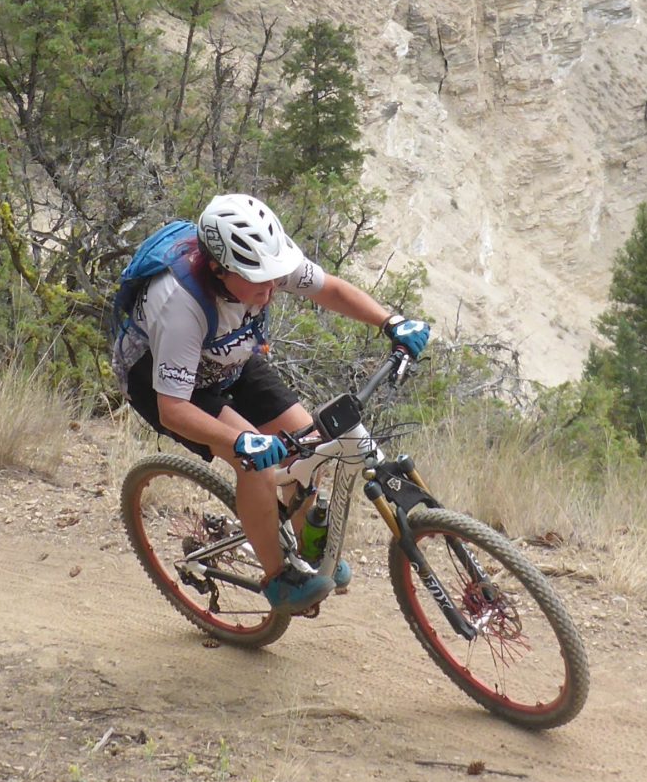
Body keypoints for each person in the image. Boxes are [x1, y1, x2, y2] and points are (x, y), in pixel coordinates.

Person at [113, 192, 431, 612]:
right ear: (218, 269)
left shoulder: (267, 264)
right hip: (168, 383)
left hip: (229, 359)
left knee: (308, 444)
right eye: (257, 279)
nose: (270, 287)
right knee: (256, 462)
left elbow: (330, 290)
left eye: (273, 276)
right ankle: (279, 577)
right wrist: (242, 442)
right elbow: (173, 410)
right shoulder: (181, 306)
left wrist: (389, 320)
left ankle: (307, 549)